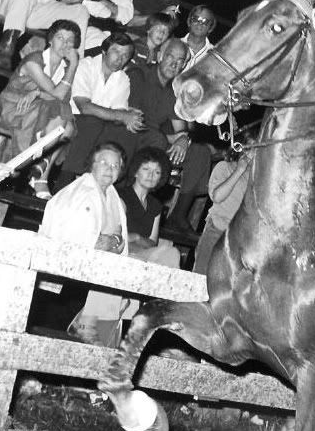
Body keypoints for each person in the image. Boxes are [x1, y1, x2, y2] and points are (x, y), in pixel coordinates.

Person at [39, 142, 129, 345]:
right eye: (104, 162)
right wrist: (98, 243)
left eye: (115, 166)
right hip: (68, 279)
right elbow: (66, 235)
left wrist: (113, 241)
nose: (110, 168)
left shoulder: (115, 199)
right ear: (92, 165)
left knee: (88, 340)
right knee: (54, 334)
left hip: (97, 279)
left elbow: (118, 239)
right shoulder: (77, 193)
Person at [124, 38, 215, 234]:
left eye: (180, 60)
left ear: (184, 65)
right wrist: (169, 138)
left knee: (199, 152)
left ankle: (178, 215)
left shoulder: (176, 89)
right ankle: (140, 201)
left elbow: (180, 128)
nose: (174, 63)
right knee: (157, 139)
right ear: (159, 56)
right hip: (131, 132)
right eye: (170, 57)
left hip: (156, 138)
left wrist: (183, 139)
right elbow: (135, 117)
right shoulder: (139, 74)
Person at [0, 19, 80, 197]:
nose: (65, 43)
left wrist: (38, 94)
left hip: (39, 109)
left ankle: (41, 173)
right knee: (63, 117)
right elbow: (58, 93)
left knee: (68, 126)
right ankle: (37, 170)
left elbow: (61, 98)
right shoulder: (34, 59)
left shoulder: (63, 69)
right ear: (50, 40)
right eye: (60, 37)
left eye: (70, 40)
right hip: (13, 106)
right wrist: (74, 66)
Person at [56, 31, 142, 188]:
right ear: (104, 51)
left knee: (128, 133)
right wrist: (122, 115)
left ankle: (111, 188)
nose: (120, 58)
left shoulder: (122, 78)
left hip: (100, 123)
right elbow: (84, 106)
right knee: (92, 122)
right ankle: (64, 182)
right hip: (71, 117)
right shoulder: (85, 66)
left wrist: (128, 118)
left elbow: (119, 116)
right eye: (116, 51)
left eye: (125, 55)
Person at [117, 147, 180, 268]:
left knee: (171, 252)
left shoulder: (155, 205)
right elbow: (119, 237)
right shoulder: (122, 196)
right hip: (121, 253)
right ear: (136, 171)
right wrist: (140, 242)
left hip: (142, 255)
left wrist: (136, 237)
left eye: (157, 172)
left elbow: (152, 243)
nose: (151, 175)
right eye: (146, 169)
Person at [193, 148, 252, 274]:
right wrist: (239, 170)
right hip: (217, 229)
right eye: (250, 148)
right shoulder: (225, 167)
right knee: (201, 275)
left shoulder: (256, 178)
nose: (253, 153)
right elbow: (217, 196)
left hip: (241, 238)